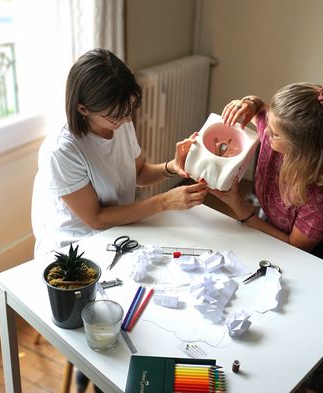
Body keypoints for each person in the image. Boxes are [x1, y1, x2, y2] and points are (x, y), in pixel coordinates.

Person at [31, 48, 207, 393]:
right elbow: (95, 218)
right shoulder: (62, 150)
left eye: (129, 110)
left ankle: (98, 368)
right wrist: (164, 202)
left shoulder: (119, 122)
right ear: (83, 109)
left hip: (119, 230)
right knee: (129, 319)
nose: (126, 119)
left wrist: (173, 168)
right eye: (117, 114)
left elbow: (138, 173)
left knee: (162, 297)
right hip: (76, 248)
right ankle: (96, 369)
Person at [209, 82, 323, 264]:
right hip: (272, 227)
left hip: (310, 259)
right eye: (269, 123)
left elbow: (293, 248)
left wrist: (237, 204)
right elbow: (259, 107)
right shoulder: (278, 132)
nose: (265, 131)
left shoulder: (322, 194)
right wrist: (250, 102)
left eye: (274, 133)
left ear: (299, 148)